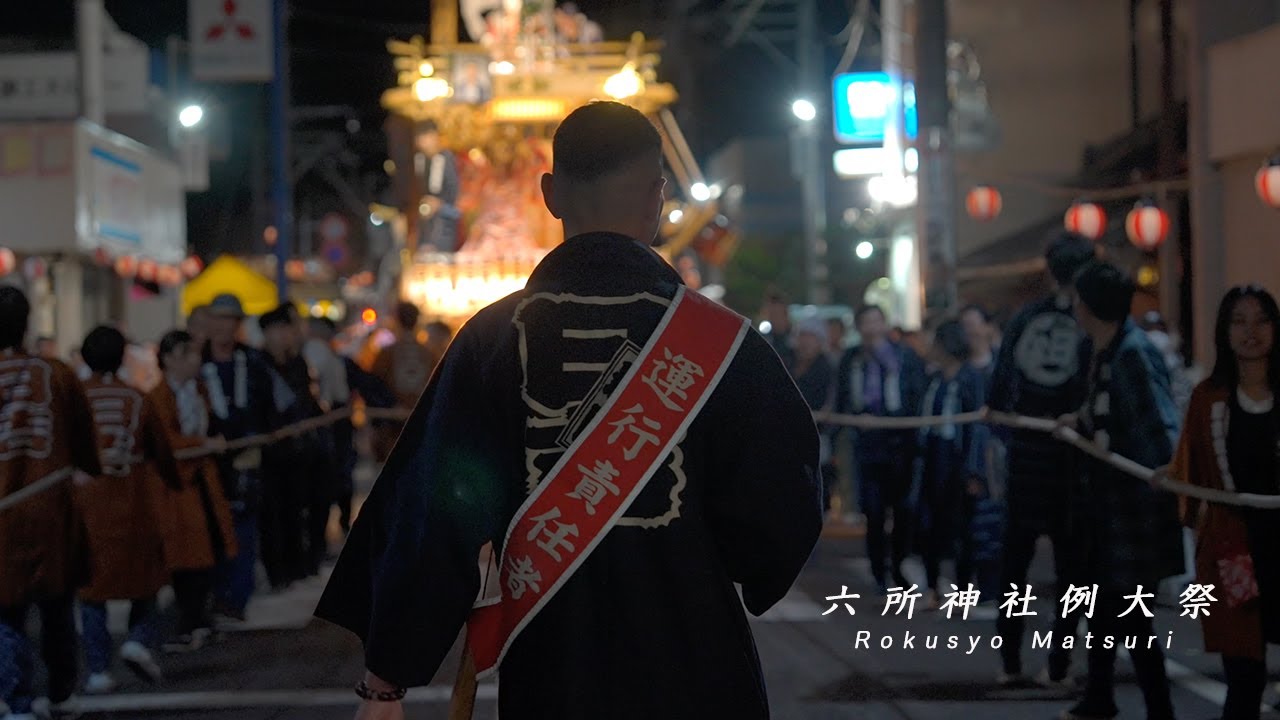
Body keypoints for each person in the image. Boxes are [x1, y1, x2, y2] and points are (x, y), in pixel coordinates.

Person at [316, 101, 822, 720]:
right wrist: (746, 567)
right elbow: (782, 508)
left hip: (555, 670)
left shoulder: (491, 339)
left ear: (550, 194)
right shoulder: (726, 344)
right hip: (698, 666)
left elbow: (433, 513)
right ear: (658, 197)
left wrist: (385, 679)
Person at [1062, 262, 1182, 720]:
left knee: (1128, 613)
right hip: (1108, 504)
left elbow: (1157, 425)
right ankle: (1101, 696)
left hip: (1134, 508)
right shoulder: (1106, 350)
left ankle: (1156, 708)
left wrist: (1162, 472)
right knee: (1105, 607)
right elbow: (1109, 417)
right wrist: (1080, 422)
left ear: (1091, 305)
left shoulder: (1132, 353)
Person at [987, 231, 1095, 687]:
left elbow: (998, 389)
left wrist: (1007, 429)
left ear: (1049, 269)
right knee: (1072, 569)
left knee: (1016, 566)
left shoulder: (1025, 317)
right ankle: (1060, 662)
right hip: (1075, 457)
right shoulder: (1094, 321)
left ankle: (1010, 659)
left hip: (1026, 454)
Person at [1170, 285, 1280, 720]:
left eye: (1261, 320)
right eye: (1238, 321)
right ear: (1223, 331)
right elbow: (1188, 465)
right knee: (1243, 675)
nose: (1250, 332)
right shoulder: (1207, 398)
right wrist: (1171, 477)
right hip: (1235, 546)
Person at [0, 287, 102, 720]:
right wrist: (89, 465)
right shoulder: (57, 373)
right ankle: (60, 692)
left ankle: (15, 696)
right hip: (49, 510)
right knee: (57, 606)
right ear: (27, 324)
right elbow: (85, 443)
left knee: (5, 611)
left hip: (2, 514)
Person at [74, 326, 174, 694]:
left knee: (91, 592)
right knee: (145, 582)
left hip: (86, 509)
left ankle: (98, 668)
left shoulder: (76, 399)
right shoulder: (137, 399)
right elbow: (163, 453)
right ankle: (137, 639)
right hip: (133, 505)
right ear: (122, 358)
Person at [149, 330, 238, 653]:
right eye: (189, 355)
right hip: (177, 486)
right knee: (186, 556)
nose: (195, 361)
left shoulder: (198, 390)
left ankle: (200, 618)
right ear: (170, 358)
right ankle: (187, 622)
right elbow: (167, 442)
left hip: (201, 482)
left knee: (208, 550)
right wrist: (203, 445)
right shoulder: (158, 397)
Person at [835, 304, 927, 592]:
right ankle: (878, 571)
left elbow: (916, 394)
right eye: (866, 322)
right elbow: (842, 397)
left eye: (877, 321)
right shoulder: (852, 359)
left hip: (899, 442)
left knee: (901, 511)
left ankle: (898, 566)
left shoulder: (904, 356)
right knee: (873, 512)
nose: (872, 328)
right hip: (867, 444)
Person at [202, 293, 279, 620]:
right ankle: (215, 594)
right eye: (217, 320)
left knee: (244, 528)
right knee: (212, 528)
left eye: (229, 320)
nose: (223, 328)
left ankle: (237, 596)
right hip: (208, 458)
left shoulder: (254, 363)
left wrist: (262, 434)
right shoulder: (197, 362)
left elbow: (274, 406)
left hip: (248, 455)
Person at [915, 320, 990, 607]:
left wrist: (974, 470)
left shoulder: (971, 378)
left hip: (958, 457)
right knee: (929, 525)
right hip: (933, 453)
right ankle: (933, 587)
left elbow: (977, 429)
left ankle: (962, 591)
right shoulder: (934, 379)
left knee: (962, 528)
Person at [369, 301, 437, 462]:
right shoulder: (430, 353)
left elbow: (374, 386)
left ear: (396, 320)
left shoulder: (386, 354)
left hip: (392, 424)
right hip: (422, 423)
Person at [791, 318, 835, 510]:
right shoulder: (788, 364)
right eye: (803, 336)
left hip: (818, 436)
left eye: (811, 337)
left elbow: (831, 403)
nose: (806, 342)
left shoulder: (827, 369)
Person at [411, 120, 461, 255]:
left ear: (434, 136)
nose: (422, 142)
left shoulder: (447, 159)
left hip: (445, 226)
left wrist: (440, 205)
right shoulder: (419, 159)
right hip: (424, 225)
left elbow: (458, 199)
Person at [960, 304, 997, 379]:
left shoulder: (1000, 360)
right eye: (963, 326)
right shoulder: (958, 364)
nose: (967, 331)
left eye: (971, 325)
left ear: (988, 327)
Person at [761, 289, 794, 368]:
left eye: (777, 314)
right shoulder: (764, 337)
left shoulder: (796, 338)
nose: (774, 319)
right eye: (771, 314)